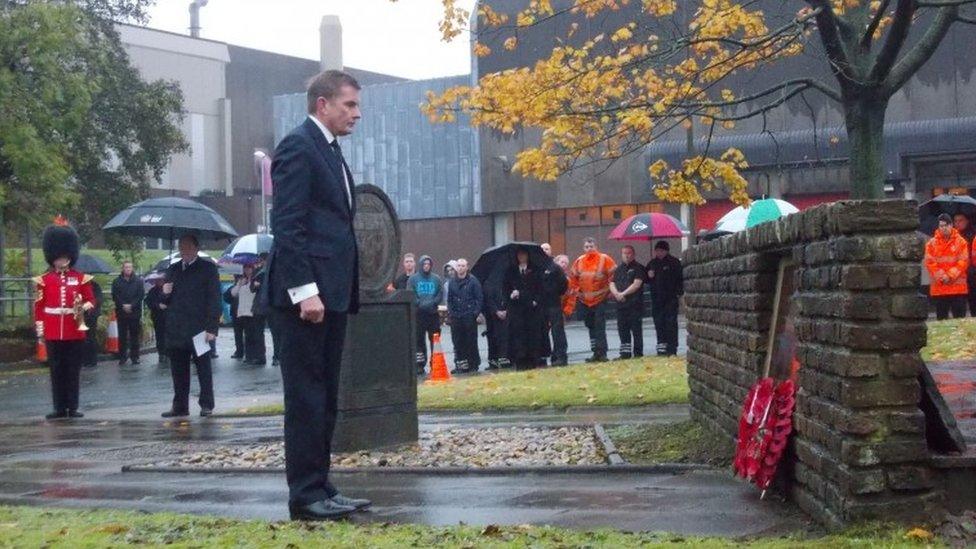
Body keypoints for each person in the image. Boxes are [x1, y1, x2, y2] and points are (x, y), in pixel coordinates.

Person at [259, 70, 370, 521]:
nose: (356, 114)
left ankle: (322, 485)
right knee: (306, 396)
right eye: (349, 105)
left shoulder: (329, 150)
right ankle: (305, 495)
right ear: (322, 104)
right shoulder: (298, 147)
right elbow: (288, 226)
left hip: (332, 295)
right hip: (304, 300)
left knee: (324, 396)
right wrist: (306, 292)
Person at [34, 219, 95, 420]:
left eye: (65, 257)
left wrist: (82, 307)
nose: (62, 261)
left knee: (72, 371)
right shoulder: (44, 280)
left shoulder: (81, 278)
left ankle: (73, 407)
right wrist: (41, 332)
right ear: (52, 258)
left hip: (73, 330)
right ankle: (59, 407)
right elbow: (39, 308)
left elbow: (91, 301)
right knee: (56, 371)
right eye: (59, 257)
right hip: (53, 331)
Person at [160, 234, 221, 418]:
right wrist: (164, 293)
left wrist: (212, 328)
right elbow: (163, 302)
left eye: (187, 247)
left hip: (199, 328)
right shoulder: (173, 269)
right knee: (178, 370)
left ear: (196, 248)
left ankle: (206, 404)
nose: (184, 251)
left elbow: (214, 298)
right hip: (177, 328)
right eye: (181, 247)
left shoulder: (208, 269)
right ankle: (180, 406)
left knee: (203, 368)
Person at [569, 237, 617, 363]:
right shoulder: (579, 261)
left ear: (596, 247)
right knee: (590, 326)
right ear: (583, 248)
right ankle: (595, 352)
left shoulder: (604, 259)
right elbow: (573, 278)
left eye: (591, 246)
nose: (589, 249)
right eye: (587, 247)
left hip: (600, 299)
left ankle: (602, 353)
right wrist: (576, 292)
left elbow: (614, 275)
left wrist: (611, 291)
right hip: (585, 301)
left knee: (599, 326)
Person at [505, 248, 548, 370]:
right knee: (518, 334)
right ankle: (520, 358)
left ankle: (533, 358)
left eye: (523, 254)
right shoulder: (511, 271)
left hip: (532, 309)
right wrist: (511, 295)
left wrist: (535, 300)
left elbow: (540, 288)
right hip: (517, 310)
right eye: (519, 255)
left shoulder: (536, 270)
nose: (521, 257)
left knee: (532, 334)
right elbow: (505, 288)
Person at [926, 213, 969, 320]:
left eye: (946, 225)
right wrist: (942, 276)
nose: (944, 228)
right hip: (940, 289)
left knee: (960, 321)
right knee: (941, 320)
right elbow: (930, 262)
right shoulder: (931, 244)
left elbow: (963, 262)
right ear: (938, 226)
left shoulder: (961, 242)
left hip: (957, 289)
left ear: (951, 225)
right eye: (941, 225)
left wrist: (949, 276)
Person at [408, 255, 443, 375]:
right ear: (421, 265)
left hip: (433, 314)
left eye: (428, 264)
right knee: (419, 341)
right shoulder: (413, 279)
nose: (426, 266)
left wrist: (433, 303)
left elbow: (440, 294)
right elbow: (410, 293)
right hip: (419, 314)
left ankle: (435, 363)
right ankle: (419, 365)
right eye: (424, 264)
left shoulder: (436, 279)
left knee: (435, 340)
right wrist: (419, 303)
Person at [647, 241, 683, 356]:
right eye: (657, 251)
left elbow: (680, 279)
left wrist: (679, 293)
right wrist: (649, 276)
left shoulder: (674, 262)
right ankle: (661, 347)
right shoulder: (652, 263)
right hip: (656, 298)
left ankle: (672, 348)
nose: (659, 253)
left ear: (666, 251)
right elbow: (646, 280)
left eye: (661, 251)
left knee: (671, 323)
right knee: (659, 322)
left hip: (670, 297)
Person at [610, 245, 647, 360]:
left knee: (636, 329)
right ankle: (625, 353)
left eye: (629, 253)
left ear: (633, 254)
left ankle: (638, 353)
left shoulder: (638, 268)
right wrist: (616, 294)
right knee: (622, 329)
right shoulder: (618, 269)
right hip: (621, 305)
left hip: (634, 304)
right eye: (624, 253)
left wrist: (623, 294)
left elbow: (637, 284)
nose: (626, 255)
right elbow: (612, 283)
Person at [447, 258, 483, 374]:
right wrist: (452, 313)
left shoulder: (473, 281)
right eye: (459, 266)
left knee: (471, 341)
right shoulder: (452, 282)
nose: (460, 268)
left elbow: (479, 298)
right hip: (456, 316)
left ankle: (473, 364)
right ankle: (460, 365)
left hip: (469, 316)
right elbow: (449, 299)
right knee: (458, 342)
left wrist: (475, 313)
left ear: (467, 267)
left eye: (463, 266)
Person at [232, 263, 267, 365]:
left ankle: (260, 356)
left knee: (257, 334)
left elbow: (257, 292)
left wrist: (254, 284)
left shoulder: (257, 279)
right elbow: (233, 294)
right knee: (247, 335)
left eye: (249, 268)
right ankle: (249, 356)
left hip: (254, 311)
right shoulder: (241, 280)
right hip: (243, 311)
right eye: (245, 268)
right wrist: (239, 285)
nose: (247, 270)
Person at [111, 261, 144, 366]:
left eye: (130, 267)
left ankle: (135, 357)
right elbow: (115, 296)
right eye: (126, 267)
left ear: (132, 268)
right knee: (122, 336)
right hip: (121, 312)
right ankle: (122, 357)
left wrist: (132, 305)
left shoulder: (138, 281)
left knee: (134, 336)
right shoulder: (116, 282)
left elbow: (141, 295)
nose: (128, 269)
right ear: (122, 268)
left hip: (135, 312)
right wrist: (123, 305)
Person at [542, 251, 569, 366]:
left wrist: (554, 293)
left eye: (547, 249)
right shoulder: (537, 267)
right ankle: (544, 355)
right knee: (542, 331)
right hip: (541, 305)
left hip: (553, 304)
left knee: (557, 331)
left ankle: (560, 356)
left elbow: (564, 284)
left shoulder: (555, 268)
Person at [483, 268, 511, 370]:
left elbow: (509, 297)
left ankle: (504, 359)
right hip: (492, 316)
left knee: (505, 337)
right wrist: (496, 311)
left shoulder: (507, 281)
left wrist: (506, 310)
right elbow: (487, 299)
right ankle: (493, 361)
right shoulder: (488, 283)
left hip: (506, 313)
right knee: (493, 338)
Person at [954, 213, 976, 316]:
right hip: (957, 273)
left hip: (972, 272)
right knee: (959, 303)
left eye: (960, 220)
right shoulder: (952, 237)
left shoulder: (973, 235)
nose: (957, 223)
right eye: (955, 221)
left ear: (967, 221)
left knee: (973, 299)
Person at [145, 276, 168, 365]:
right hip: (157, 317)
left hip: (169, 316)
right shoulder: (152, 291)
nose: (159, 282)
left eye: (161, 280)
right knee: (159, 336)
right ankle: (161, 353)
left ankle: (169, 353)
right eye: (158, 280)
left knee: (169, 335)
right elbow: (149, 302)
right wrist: (158, 306)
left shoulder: (169, 289)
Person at [223, 274, 245, 359]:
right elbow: (227, 298)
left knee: (242, 333)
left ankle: (241, 351)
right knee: (238, 334)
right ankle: (239, 351)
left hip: (244, 312)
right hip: (236, 312)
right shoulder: (233, 288)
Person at [82, 278, 103, 368]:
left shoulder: (95, 286)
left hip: (92, 315)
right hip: (81, 315)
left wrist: (89, 304)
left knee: (91, 337)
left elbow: (99, 299)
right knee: (83, 338)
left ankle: (92, 359)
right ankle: (84, 359)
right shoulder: (80, 285)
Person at [554, 254, 578, 323]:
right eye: (562, 262)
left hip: (560, 310)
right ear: (556, 262)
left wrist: (568, 309)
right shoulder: (547, 275)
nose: (564, 264)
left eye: (566, 263)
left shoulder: (569, 280)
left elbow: (572, 296)